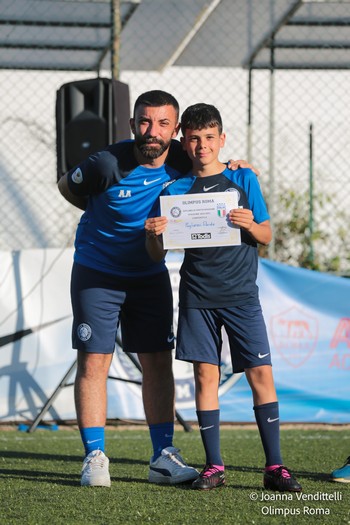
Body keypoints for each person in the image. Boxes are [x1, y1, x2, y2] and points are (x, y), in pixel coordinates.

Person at [58, 90, 254, 487]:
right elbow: (67, 186)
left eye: (163, 123)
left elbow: (217, 168)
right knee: (95, 362)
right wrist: (101, 215)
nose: (153, 131)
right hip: (98, 273)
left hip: (149, 274)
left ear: (176, 130)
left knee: (158, 362)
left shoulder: (185, 159)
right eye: (144, 122)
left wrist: (237, 167)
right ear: (132, 125)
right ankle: (95, 456)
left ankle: (162, 457)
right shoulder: (106, 163)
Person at [144, 102, 302, 492]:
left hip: (242, 296)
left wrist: (251, 224)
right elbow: (156, 253)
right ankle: (214, 465)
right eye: (194, 139)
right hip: (198, 296)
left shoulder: (243, 179)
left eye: (209, 138)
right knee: (204, 376)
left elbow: (266, 235)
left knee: (260, 374)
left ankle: (275, 467)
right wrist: (153, 234)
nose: (202, 146)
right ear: (184, 141)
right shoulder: (174, 190)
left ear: (222, 139)